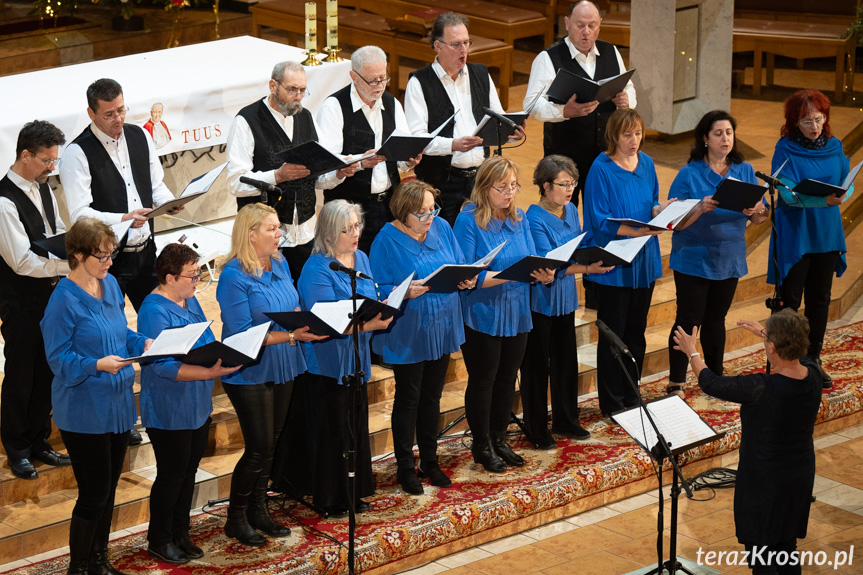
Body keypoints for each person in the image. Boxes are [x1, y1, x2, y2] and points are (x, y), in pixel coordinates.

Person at [41, 218, 152, 575]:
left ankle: (99, 561)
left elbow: (120, 334)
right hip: (84, 408)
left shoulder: (112, 284)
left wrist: (142, 342)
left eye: (111, 254)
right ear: (77, 254)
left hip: (118, 403)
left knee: (107, 491)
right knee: (93, 495)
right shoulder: (62, 300)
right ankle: (79, 567)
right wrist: (96, 365)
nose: (109, 262)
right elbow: (58, 360)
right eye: (102, 256)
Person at [673, 309, 822, 574]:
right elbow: (796, 351)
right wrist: (765, 334)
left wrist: (692, 352)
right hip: (799, 475)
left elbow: (710, 382)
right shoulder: (813, 375)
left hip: (764, 481)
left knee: (761, 553)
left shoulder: (762, 388)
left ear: (773, 347)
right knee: (786, 546)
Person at [215, 203, 324, 546]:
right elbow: (243, 334)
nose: (280, 234)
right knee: (258, 447)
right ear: (251, 234)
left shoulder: (279, 262)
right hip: (249, 369)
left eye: (279, 228)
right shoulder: (233, 276)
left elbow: (289, 304)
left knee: (272, 443)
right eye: (272, 229)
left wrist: (302, 317)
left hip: (283, 363)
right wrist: (292, 335)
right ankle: (235, 518)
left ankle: (259, 510)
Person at [138, 244, 239, 564]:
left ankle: (181, 532)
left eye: (199, 273)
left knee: (188, 471)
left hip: (196, 404)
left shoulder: (189, 297)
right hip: (170, 408)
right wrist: (209, 371)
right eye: (192, 275)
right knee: (172, 475)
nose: (198, 280)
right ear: (169, 277)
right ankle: (159, 539)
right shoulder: (154, 310)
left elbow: (204, 340)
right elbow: (161, 365)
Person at [453, 156, 554, 472]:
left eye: (513, 186)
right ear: (484, 188)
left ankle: (500, 438)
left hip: (517, 310)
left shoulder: (520, 217)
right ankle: (481, 445)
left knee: (508, 378)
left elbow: (533, 259)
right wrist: (513, 274)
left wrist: (545, 274)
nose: (509, 193)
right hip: (482, 313)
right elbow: (466, 276)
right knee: (484, 380)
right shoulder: (468, 221)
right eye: (502, 188)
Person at [369, 180, 470, 495]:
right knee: (409, 399)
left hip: (442, 324)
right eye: (422, 213)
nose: (429, 217)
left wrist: (466, 278)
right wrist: (404, 292)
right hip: (409, 329)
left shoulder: (441, 226)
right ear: (402, 212)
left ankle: (430, 459)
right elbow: (378, 290)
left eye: (432, 209)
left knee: (432, 397)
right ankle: (404, 468)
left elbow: (458, 263)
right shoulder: (385, 240)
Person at [293, 200, 392, 515]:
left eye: (357, 226)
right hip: (327, 362)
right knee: (334, 432)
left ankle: (354, 492)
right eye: (346, 229)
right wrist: (372, 322)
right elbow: (327, 321)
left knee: (355, 428)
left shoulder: (360, 257)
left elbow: (369, 299)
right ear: (327, 235)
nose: (355, 233)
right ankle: (330, 497)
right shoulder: (316, 268)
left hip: (356, 358)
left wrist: (384, 305)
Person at [665, 111, 769, 397]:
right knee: (688, 320)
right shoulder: (689, 173)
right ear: (705, 139)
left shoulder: (744, 170)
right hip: (693, 258)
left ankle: (714, 377)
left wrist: (757, 210)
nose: (725, 138)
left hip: (729, 257)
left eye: (729, 133)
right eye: (718, 133)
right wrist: (699, 208)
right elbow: (674, 223)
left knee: (715, 320)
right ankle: (677, 380)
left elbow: (759, 219)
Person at [60, 78, 182, 312]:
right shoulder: (77, 153)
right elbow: (79, 214)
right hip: (106, 259)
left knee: (159, 318)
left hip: (146, 252)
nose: (118, 119)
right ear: (91, 113)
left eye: (121, 110)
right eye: (109, 114)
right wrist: (124, 218)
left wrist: (168, 202)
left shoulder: (140, 136)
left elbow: (156, 184)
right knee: (109, 327)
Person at [227, 61, 353, 281]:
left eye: (303, 90)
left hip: (304, 231)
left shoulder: (306, 118)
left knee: (304, 294)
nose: (298, 96)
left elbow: (317, 177)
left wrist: (338, 173)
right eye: (292, 89)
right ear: (273, 86)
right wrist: (277, 176)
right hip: (264, 237)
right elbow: (235, 183)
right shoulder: (246, 121)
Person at [521, 155, 612, 449]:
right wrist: (586, 268)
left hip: (565, 298)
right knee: (537, 368)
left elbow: (576, 245)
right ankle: (537, 428)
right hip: (541, 301)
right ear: (546, 186)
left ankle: (566, 418)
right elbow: (549, 264)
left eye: (572, 183)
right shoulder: (533, 219)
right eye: (563, 184)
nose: (570, 189)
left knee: (565, 362)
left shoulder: (571, 209)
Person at [583, 108, 670, 416]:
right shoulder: (600, 168)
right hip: (615, 263)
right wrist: (638, 229)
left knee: (636, 332)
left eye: (638, 134)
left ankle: (633, 396)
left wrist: (663, 210)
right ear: (613, 136)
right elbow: (598, 218)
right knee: (614, 337)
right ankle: (612, 403)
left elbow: (653, 201)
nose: (634, 141)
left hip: (643, 258)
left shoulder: (646, 163)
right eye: (627, 135)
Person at [0, 120, 71, 480]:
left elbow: (56, 231)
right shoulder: (2, 201)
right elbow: (21, 261)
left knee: (47, 370)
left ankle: (40, 441)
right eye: (46, 160)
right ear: (25, 155)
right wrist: (67, 264)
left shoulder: (44, 187)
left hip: (50, 296)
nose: (51, 167)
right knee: (21, 374)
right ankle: (16, 447)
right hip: (20, 302)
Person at [405, 12, 523, 227]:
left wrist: (511, 131)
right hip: (441, 183)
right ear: (438, 46)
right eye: (456, 44)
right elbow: (417, 138)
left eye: (467, 43)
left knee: (482, 236)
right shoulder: (420, 82)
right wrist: (453, 145)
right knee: (447, 241)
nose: (464, 50)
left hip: (481, 180)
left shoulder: (480, 73)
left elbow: (497, 118)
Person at [769, 89, 849, 388]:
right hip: (796, 231)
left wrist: (843, 195)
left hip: (826, 231)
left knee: (820, 298)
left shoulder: (835, 145)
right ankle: (786, 360)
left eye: (818, 119)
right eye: (806, 121)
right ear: (794, 122)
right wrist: (822, 202)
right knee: (789, 299)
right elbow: (787, 195)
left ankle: (813, 359)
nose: (814, 126)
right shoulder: (785, 148)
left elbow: (846, 183)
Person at [524, 1, 636, 210]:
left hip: (606, 152)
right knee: (564, 213)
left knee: (604, 210)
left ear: (600, 25)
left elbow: (628, 86)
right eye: (580, 25)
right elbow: (531, 103)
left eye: (592, 25)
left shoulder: (611, 51)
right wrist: (563, 112)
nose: (586, 32)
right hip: (564, 153)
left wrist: (626, 99)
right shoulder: (548, 58)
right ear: (567, 23)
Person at [317, 45, 422, 254]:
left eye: (383, 78)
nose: (380, 86)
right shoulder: (334, 107)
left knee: (389, 262)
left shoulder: (392, 104)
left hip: (389, 205)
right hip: (349, 211)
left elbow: (401, 153)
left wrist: (409, 159)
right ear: (354, 77)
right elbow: (324, 172)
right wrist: (358, 164)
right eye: (372, 80)